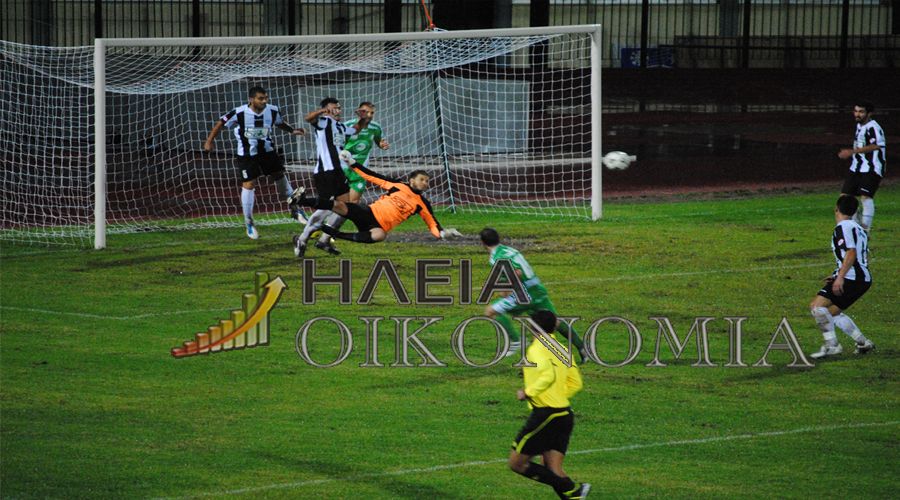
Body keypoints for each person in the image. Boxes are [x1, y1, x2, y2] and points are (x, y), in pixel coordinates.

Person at [290, 150, 460, 249]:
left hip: (377, 226)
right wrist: (352, 162)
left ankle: (335, 234)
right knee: (339, 205)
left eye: (427, 181)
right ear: (411, 180)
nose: (425, 183)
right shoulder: (397, 185)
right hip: (368, 212)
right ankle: (301, 200)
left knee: (380, 235)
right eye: (422, 179)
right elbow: (371, 175)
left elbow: (432, 223)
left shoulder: (423, 204)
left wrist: (443, 233)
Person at [203, 86, 306, 240]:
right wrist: (209, 141)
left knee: (279, 175)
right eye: (260, 98)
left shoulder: (272, 110)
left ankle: (295, 209)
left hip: (267, 151)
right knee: (249, 184)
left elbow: (279, 122)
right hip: (247, 155)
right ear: (251, 99)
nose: (264, 101)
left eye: (266, 98)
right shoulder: (239, 112)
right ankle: (249, 223)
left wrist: (292, 130)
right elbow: (221, 123)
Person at [509, 310, 590, 499]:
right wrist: (558, 396)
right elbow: (576, 383)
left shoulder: (536, 349)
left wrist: (528, 392)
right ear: (554, 327)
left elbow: (548, 375)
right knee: (552, 468)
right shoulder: (562, 349)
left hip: (546, 415)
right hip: (564, 415)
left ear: (532, 327)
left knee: (516, 463)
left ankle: (574, 488)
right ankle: (575, 496)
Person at [479, 227, 587, 360]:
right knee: (554, 321)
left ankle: (516, 341)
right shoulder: (509, 250)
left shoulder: (496, 257)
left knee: (491, 311)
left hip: (524, 295)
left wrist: (506, 288)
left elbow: (517, 272)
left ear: (483, 243)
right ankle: (582, 348)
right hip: (537, 289)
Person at [314, 101, 390, 254]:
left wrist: (382, 144)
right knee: (335, 204)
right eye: (366, 112)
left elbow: (378, 140)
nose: (369, 115)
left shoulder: (375, 128)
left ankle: (324, 238)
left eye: (372, 112)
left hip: (360, 171)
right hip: (342, 169)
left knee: (351, 206)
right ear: (359, 112)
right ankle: (312, 229)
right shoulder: (348, 126)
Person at [809, 195, 876, 359]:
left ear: (836, 209)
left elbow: (851, 252)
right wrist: (837, 274)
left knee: (817, 307)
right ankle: (863, 343)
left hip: (851, 278)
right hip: (862, 279)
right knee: (831, 313)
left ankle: (832, 345)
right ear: (854, 211)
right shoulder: (858, 228)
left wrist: (840, 277)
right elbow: (860, 256)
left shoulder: (843, 227)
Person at [291, 97, 356, 257]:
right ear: (326, 110)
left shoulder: (340, 126)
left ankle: (324, 240)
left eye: (339, 108)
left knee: (346, 209)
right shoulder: (324, 122)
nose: (338, 111)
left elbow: (355, 130)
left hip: (338, 172)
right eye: (334, 108)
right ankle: (302, 239)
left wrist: (364, 118)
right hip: (326, 172)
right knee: (327, 207)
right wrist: (322, 111)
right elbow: (308, 118)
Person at [837, 101, 886, 232]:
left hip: (872, 167)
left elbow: (876, 145)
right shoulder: (859, 126)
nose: (857, 114)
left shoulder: (873, 127)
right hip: (856, 167)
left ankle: (865, 230)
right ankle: (855, 226)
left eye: (861, 112)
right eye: (856, 111)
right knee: (844, 198)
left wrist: (851, 152)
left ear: (869, 113)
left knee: (865, 197)